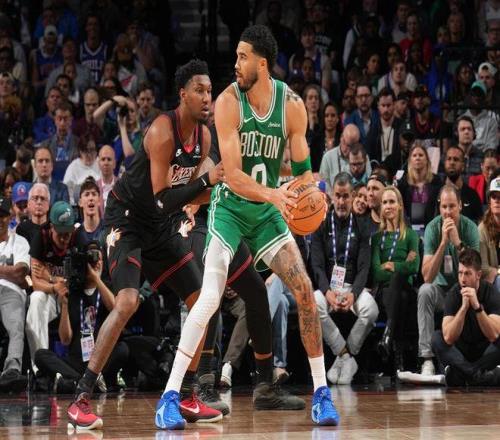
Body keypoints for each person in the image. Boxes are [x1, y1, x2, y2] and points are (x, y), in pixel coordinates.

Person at [159, 25, 339, 429]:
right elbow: (234, 176)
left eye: (243, 57)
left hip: (268, 213)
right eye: (237, 56)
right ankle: (170, 395)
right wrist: (275, 194)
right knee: (209, 297)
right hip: (230, 209)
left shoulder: (292, 106)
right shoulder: (228, 102)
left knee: (305, 292)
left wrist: (309, 194)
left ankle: (322, 394)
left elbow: (305, 172)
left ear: (263, 63)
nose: (236, 64)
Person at [34, 243, 128, 394]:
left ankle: (77, 382)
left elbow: (116, 310)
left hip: (101, 359)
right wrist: (65, 305)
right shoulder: (73, 292)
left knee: (123, 349)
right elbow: (65, 340)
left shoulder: (107, 288)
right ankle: (86, 382)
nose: (96, 263)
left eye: (99, 259)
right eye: (91, 259)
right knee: (40, 355)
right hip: (76, 361)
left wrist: (97, 279)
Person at [312, 172, 377, 385]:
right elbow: (317, 265)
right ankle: (345, 355)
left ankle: (345, 355)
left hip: (352, 287)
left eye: (345, 196)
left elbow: (364, 267)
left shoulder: (362, 226)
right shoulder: (320, 224)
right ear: (332, 195)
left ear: (352, 196)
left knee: (371, 310)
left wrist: (353, 294)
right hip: (328, 287)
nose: (341, 201)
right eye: (338, 196)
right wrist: (327, 292)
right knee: (313, 305)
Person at [418, 185, 480, 377]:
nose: (447, 212)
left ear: (460, 205)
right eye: (444, 207)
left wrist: (457, 243)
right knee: (425, 291)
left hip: (463, 291)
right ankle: (427, 359)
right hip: (441, 291)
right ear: (439, 207)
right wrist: (443, 242)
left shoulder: (470, 228)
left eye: (452, 206)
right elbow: (427, 277)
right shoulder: (432, 228)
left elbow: (474, 272)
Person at [432, 248, 500, 386]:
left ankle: (463, 375)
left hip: (484, 351)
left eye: (468, 273)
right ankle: (478, 375)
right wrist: (463, 308)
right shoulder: (453, 294)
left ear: (478, 275)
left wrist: (477, 307)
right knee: (436, 338)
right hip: (461, 352)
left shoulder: (490, 292)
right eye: (460, 273)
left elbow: (494, 335)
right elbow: (448, 338)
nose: (463, 279)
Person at [25, 201, 76, 374]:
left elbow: (78, 280)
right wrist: (55, 285)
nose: (64, 238)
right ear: (52, 227)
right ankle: (41, 368)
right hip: (51, 294)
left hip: (74, 297)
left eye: (67, 233)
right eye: (60, 233)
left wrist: (50, 277)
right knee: (36, 299)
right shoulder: (41, 237)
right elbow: (35, 283)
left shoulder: (78, 237)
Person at [371, 186, 420, 364]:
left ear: (400, 206)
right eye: (385, 202)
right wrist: (402, 266)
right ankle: (399, 357)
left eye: (392, 201)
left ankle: (388, 336)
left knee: (399, 282)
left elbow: (414, 266)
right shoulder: (377, 238)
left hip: (406, 286)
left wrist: (391, 265)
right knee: (401, 296)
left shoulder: (411, 235)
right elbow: (376, 273)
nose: (388, 206)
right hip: (384, 292)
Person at [0, 196, 30, 392]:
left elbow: (20, 273)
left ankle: (12, 370)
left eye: (3, 215)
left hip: (12, 292)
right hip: (10, 284)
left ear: (10, 216)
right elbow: (14, 271)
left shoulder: (19, 241)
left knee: (16, 326)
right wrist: (7, 270)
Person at [397, 143, 442, 234]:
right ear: (410, 161)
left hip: (432, 229)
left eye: (421, 155)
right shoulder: (403, 183)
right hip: (409, 229)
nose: (417, 158)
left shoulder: (436, 181)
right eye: (414, 155)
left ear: (427, 160)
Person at [41, 100, 79, 182]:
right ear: (55, 120)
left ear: (71, 120)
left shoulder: (79, 144)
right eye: (59, 118)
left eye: (65, 119)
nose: (62, 123)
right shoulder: (45, 145)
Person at [443, 145, 482, 223]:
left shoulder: (473, 196)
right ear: (444, 163)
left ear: (463, 166)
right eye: (449, 159)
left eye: (456, 159)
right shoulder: (435, 194)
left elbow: (479, 223)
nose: (452, 162)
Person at [319, 124, 362, 194]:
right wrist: (334, 197)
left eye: (350, 146)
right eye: (344, 143)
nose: (346, 149)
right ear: (341, 137)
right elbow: (323, 183)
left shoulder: (362, 157)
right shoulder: (328, 157)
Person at [63, 135, 100, 205]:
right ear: (80, 151)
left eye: (92, 150)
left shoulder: (101, 163)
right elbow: (67, 192)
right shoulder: (73, 167)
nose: (89, 154)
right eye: (86, 150)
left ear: (96, 150)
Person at [478, 177, 500, 292]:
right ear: (489, 201)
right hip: (492, 284)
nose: (497, 200)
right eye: (493, 196)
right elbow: (482, 267)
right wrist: (498, 272)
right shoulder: (482, 229)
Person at [75, 177, 103, 246]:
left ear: (99, 201)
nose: (91, 198)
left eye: (94, 194)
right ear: (80, 202)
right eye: (87, 194)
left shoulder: (108, 230)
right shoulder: (75, 234)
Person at [96, 145, 117, 215]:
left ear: (114, 163)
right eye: (103, 159)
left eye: (109, 159)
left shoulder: (122, 186)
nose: (106, 163)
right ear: (99, 164)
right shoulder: (94, 187)